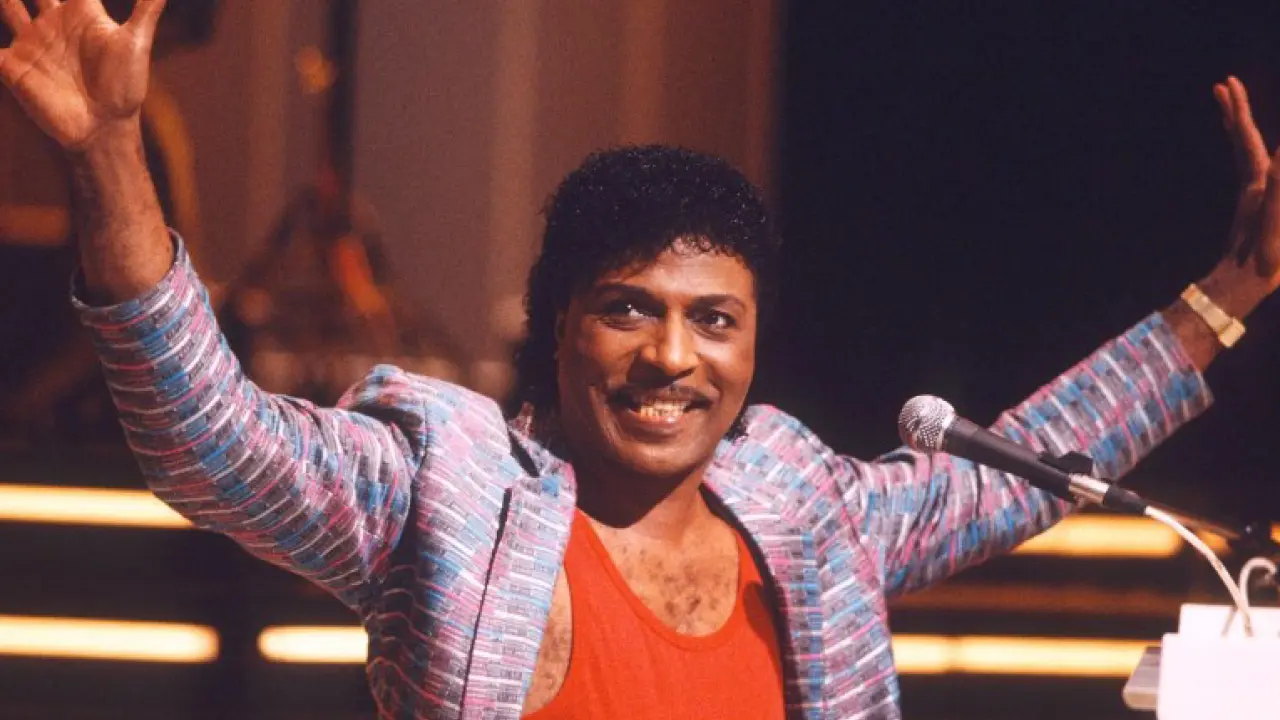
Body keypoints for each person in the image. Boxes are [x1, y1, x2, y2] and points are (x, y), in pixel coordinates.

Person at [1, 2, 1276, 719]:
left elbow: (1024, 467)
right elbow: (209, 441)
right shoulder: (447, 499)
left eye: (714, 321)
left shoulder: (808, 516)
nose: (673, 357)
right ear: (557, 326)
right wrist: (107, 152)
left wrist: (1230, 291)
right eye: (629, 310)